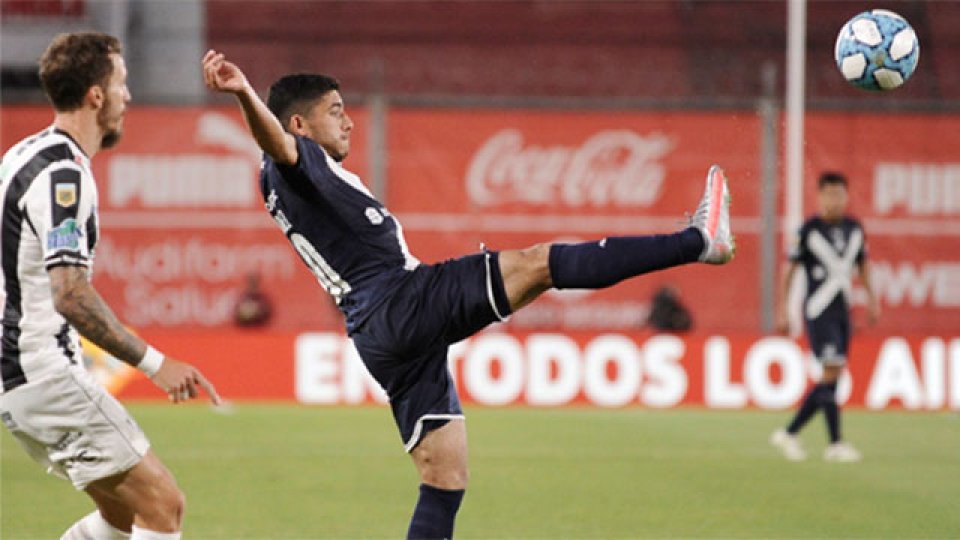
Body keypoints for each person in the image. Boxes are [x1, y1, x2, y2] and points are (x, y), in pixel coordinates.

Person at [202, 49, 733, 539]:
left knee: (445, 477)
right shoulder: (297, 165)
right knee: (540, 264)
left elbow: (278, 152)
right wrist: (245, 93)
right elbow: (277, 143)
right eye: (335, 110)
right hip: (401, 301)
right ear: (299, 124)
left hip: (377, 334)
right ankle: (698, 241)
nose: (348, 120)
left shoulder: (278, 180)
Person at [0, 32, 221, 540]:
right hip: (44, 375)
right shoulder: (64, 177)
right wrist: (155, 364)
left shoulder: (24, 154)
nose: (129, 96)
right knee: (164, 506)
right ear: (95, 95)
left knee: (120, 515)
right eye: (121, 84)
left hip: (22, 376)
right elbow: (70, 293)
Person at [771, 172, 880, 462]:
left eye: (839, 195)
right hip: (819, 311)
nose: (834, 201)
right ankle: (835, 444)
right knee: (831, 373)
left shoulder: (855, 229)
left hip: (842, 311)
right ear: (819, 197)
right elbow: (789, 271)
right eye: (829, 195)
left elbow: (863, 265)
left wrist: (872, 299)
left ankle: (789, 433)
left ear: (846, 196)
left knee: (832, 378)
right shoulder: (809, 230)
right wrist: (782, 309)